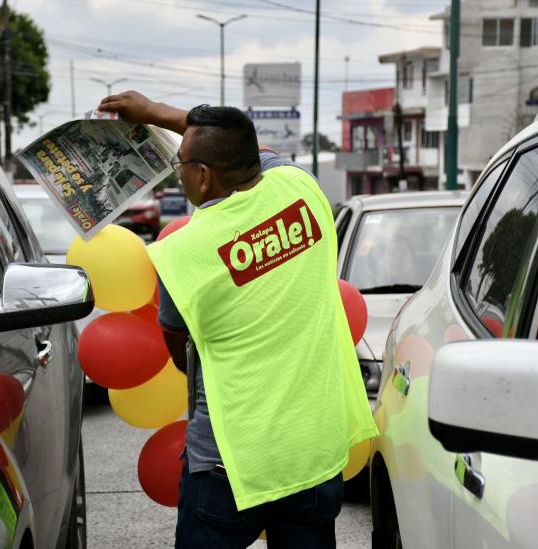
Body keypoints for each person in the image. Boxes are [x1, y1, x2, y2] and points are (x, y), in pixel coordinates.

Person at [98, 91, 377, 549]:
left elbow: (181, 354)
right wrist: (154, 113)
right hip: (312, 451)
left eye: (181, 165)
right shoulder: (302, 187)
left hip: (229, 462)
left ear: (202, 177)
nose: (179, 172)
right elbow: (246, 141)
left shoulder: (181, 253)